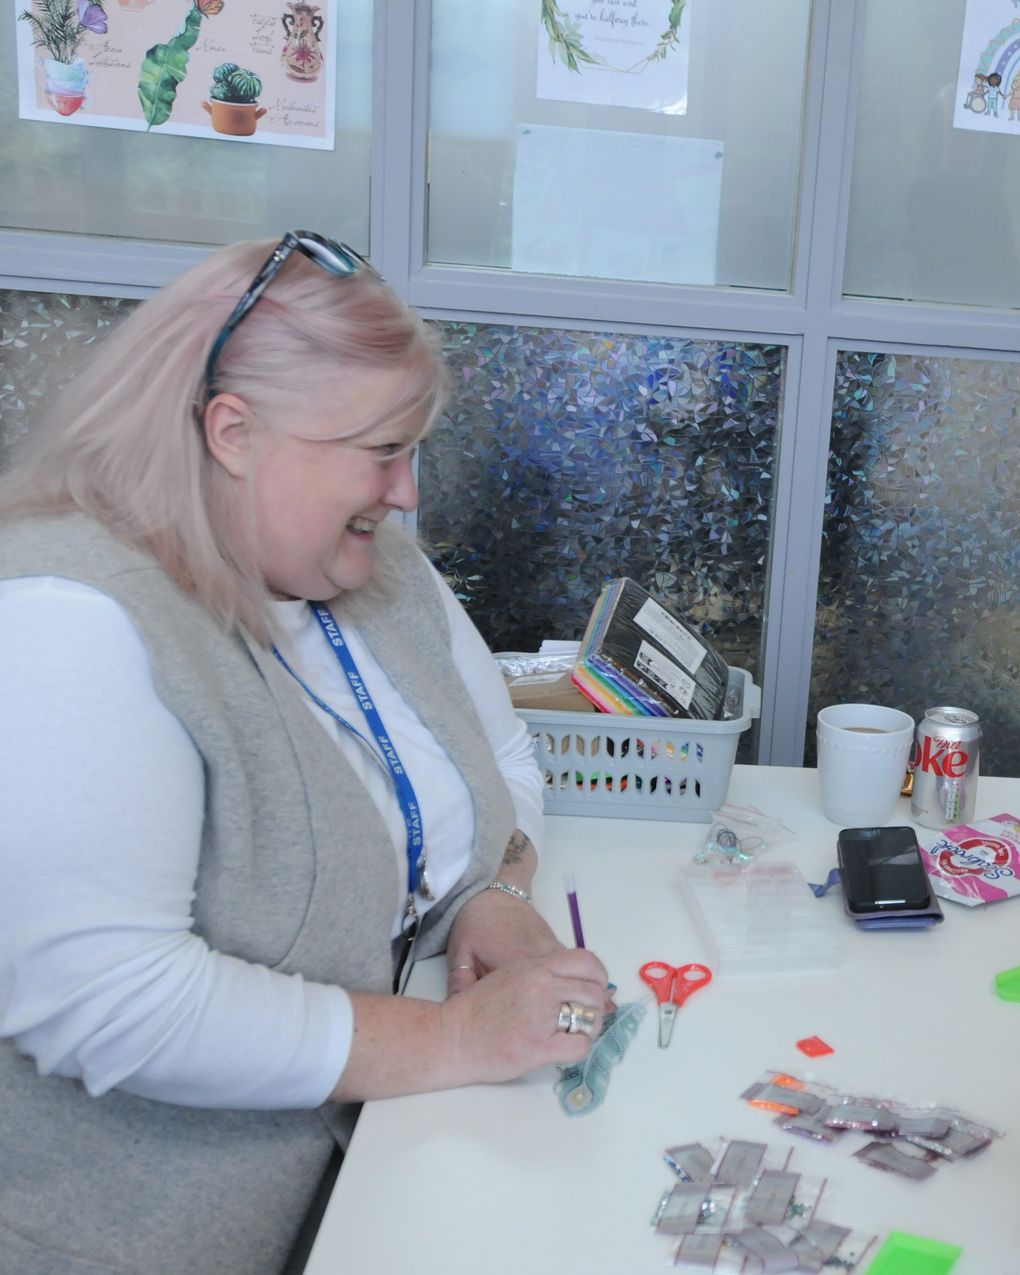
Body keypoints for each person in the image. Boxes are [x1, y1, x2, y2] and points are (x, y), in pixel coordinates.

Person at [0, 233, 612, 1274]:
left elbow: (502, 758)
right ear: (233, 432)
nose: (408, 491)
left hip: (369, 1186)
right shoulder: (69, 621)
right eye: (381, 449)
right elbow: (114, 1004)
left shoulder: (369, 565)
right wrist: (459, 1042)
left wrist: (491, 897)